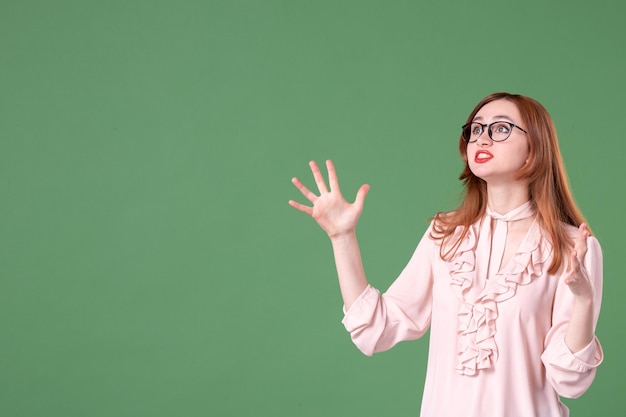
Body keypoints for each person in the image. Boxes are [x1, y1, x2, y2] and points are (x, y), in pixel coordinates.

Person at [288, 92, 603, 417]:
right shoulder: (445, 235)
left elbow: (570, 382)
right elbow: (376, 329)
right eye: (476, 129)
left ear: (533, 150)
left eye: (500, 129)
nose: (482, 138)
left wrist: (583, 300)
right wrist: (342, 237)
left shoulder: (573, 248)